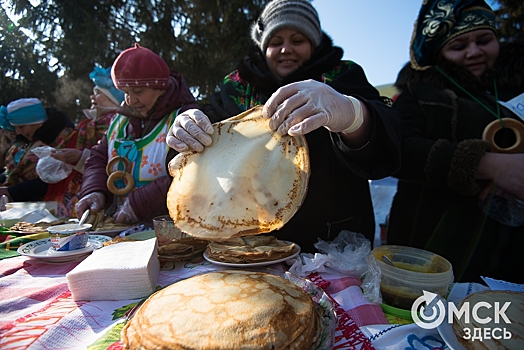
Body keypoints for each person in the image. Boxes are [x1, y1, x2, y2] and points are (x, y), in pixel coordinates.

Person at [167, 0, 401, 252]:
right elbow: (203, 140)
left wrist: (353, 114)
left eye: (297, 40)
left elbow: (388, 140)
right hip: (247, 243)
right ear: (263, 45)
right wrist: (188, 125)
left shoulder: (343, 76)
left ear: (314, 42)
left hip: (330, 246)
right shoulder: (235, 87)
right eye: (276, 42)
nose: (286, 49)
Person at [386, 0, 524, 283]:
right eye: (458, 46)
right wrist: (485, 165)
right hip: (432, 245)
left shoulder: (516, 89)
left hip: (510, 254)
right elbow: (399, 150)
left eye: (483, 40)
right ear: (438, 53)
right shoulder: (420, 94)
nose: (474, 52)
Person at [75, 43, 198, 224]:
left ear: (160, 88)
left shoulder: (184, 118)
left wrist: (139, 204)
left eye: (138, 92)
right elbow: (99, 158)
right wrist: (94, 190)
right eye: (125, 92)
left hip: (170, 231)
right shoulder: (120, 119)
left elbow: (193, 171)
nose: (131, 101)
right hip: (122, 229)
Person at [43, 65, 125, 218]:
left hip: (104, 195)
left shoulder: (119, 125)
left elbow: (115, 161)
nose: (92, 97)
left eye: (98, 93)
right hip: (84, 192)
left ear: (114, 98)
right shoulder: (87, 125)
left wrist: (80, 158)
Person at [0, 98, 75, 202]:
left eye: (21, 127)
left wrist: (14, 192)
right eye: (15, 128)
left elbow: (55, 178)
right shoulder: (26, 141)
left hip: (50, 206)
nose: (17, 132)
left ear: (36, 122)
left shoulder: (63, 139)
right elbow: (13, 170)